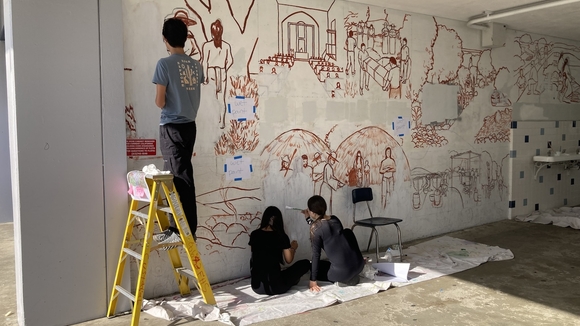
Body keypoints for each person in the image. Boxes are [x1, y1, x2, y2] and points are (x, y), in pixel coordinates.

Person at [151, 18, 204, 246]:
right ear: (185, 38)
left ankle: (183, 230)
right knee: (181, 176)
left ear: (165, 39)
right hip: (189, 127)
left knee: (179, 180)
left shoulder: (164, 64)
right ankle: (183, 228)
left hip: (171, 127)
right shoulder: (196, 65)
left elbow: (160, 102)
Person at [302, 196, 365, 292]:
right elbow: (321, 228)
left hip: (342, 274)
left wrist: (313, 280)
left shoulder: (316, 229)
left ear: (313, 212)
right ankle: (352, 270)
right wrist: (308, 219)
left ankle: (344, 280)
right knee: (347, 232)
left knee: (313, 266)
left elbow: (316, 255)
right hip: (359, 266)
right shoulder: (335, 219)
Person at [249, 206, 311, 295]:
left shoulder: (254, 234)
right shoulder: (281, 236)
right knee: (305, 263)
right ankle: (292, 281)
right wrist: (293, 247)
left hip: (257, 287)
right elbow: (289, 260)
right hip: (276, 287)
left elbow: (254, 255)